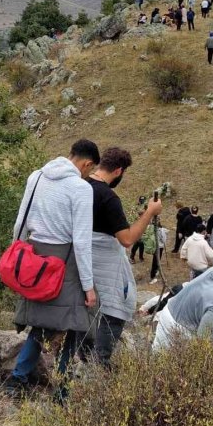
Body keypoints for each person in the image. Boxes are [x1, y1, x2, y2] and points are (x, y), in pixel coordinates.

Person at [5, 139, 100, 397]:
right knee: (77, 323)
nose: (89, 174)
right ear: (87, 163)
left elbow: (19, 225)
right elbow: (81, 241)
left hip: (35, 259)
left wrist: (17, 261)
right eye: (90, 171)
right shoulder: (81, 188)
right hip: (64, 261)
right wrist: (89, 286)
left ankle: (17, 379)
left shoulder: (36, 177)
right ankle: (62, 389)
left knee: (41, 321)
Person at [86, 148, 162, 367]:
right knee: (116, 307)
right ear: (119, 170)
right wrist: (149, 212)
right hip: (104, 261)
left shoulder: (81, 185)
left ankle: (83, 352)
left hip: (81, 256)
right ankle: (101, 360)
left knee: (90, 307)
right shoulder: (108, 197)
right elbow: (127, 239)